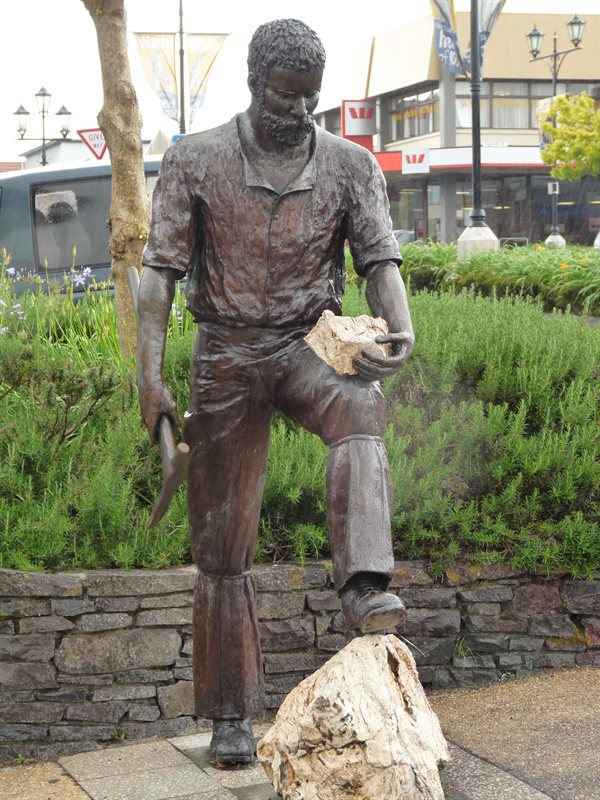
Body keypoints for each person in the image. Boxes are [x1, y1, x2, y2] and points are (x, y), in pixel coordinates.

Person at [136, 18, 415, 765]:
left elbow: (379, 257)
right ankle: (230, 715)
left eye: (310, 100)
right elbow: (158, 274)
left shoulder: (351, 166)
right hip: (224, 353)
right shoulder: (194, 160)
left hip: (305, 344)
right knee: (222, 544)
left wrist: (400, 325)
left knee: (360, 404)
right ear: (255, 86)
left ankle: (364, 583)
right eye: (286, 99)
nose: (300, 114)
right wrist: (150, 378)